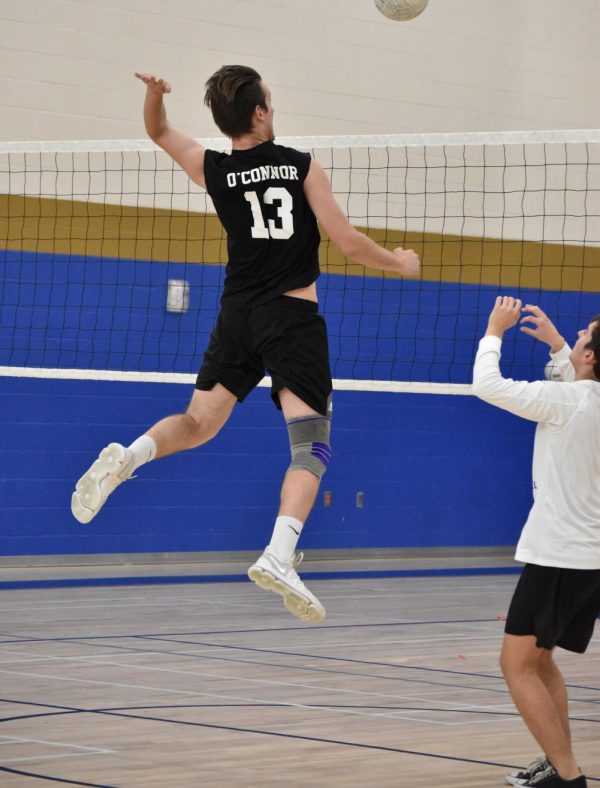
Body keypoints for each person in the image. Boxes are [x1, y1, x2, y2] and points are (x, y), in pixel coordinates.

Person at [71, 65, 420, 623]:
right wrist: (400, 263)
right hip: (292, 317)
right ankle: (280, 555)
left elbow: (158, 133)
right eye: (271, 103)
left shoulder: (216, 170)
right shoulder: (302, 166)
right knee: (312, 446)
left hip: (238, 315)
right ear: (259, 113)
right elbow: (349, 244)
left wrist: (154, 96)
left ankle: (129, 456)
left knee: (199, 423)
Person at [472, 297, 600, 788]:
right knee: (540, 659)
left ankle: (568, 777)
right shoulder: (583, 397)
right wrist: (558, 344)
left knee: (516, 665)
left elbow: (486, 385)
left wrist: (494, 330)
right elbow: (575, 382)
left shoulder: (568, 401)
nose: (579, 337)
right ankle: (557, 761)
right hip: (587, 561)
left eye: (585, 335)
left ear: (590, 356)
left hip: (560, 557)